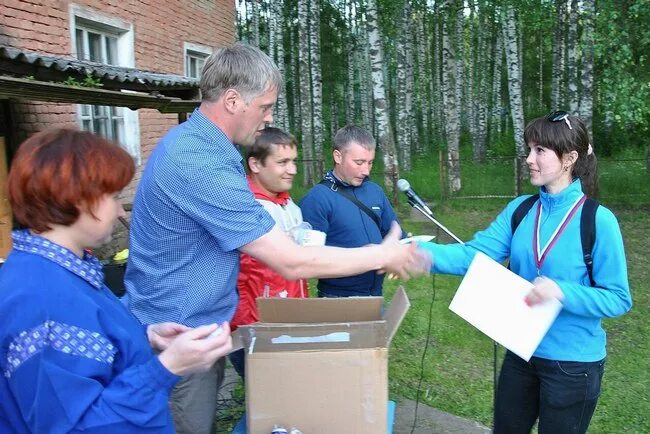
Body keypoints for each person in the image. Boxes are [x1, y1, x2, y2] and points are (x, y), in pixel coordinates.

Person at [123, 43, 429, 434]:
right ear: (233, 100)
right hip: (176, 337)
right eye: (265, 107)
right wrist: (380, 254)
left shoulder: (206, 149)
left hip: (194, 330)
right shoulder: (199, 162)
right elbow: (291, 260)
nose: (268, 119)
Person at [0, 129, 232, 434]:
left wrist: (145, 336)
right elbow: (77, 426)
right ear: (80, 199)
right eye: (112, 197)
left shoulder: (60, 271)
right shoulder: (41, 301)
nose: (120, 210)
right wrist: (167, 368)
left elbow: (87, 346)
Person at [418, 112, 632, 434]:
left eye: (540, 151)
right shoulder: (520, 209)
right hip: (522, 354)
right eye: (529, 149)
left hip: (574, 366)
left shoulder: (598, 221)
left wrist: (562, 291)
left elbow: (618, 299)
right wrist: (416, 253)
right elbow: (472, 255)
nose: (529, 159)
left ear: (569, 159)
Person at [228, 126, 309, 379]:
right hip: (255, 326)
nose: (293, 170)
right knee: (266, 393)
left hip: (288, 316)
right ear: (255, 164)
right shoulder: (244, 207)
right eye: (283, 162)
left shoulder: (286, 202)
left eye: (293, 161)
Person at [300, 125, 400, 297]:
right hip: (337, 299)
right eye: (359, 162)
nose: (366, 171)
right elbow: (309, 261)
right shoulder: (317, 198)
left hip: (376, 295)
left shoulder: (375, 191)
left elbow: (392, 231)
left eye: (370, 163)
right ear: (338, 156)